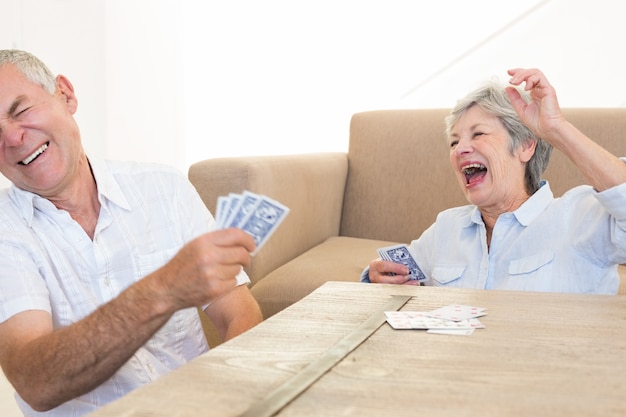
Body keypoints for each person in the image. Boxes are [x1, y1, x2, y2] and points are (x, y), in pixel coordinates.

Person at [0, 49, 263, 416]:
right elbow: (35, 384)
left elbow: (239, 314)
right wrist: (164, 287)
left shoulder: (164, 187)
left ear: (65, 94)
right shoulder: (6, 231)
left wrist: (225, 401)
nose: (12, 138)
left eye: (21, 110)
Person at [362, 68, 626, 294]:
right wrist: (376, 276)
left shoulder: (576, 216)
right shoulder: (446, 228)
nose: (459, 149)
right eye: (454, 142)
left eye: (478, 134)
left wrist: (556, 128)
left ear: (525, 146)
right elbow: (393, 278)